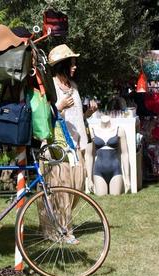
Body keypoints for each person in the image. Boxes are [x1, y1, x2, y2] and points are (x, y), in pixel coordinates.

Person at [38, 44, 97, 244]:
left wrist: (88, 113)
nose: (74, 67)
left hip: (76, 144)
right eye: (71, 64)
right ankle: (63, 231)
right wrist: (59, 106)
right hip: (58, 145)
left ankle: (58, 224)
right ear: (61, 65)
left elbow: (75, 116)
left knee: (77, 188)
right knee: (61, 189)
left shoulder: (74, 87)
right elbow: (44, 115)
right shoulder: (51, 88)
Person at [85, 115, 130, 196]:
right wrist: (89, 179)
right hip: (99, 171)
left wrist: (127, 178)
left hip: (115, 170)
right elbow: (88, 155)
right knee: (101, 201)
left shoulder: (119, 130)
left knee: (115, 200)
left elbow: (125, 154)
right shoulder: (91, 131)